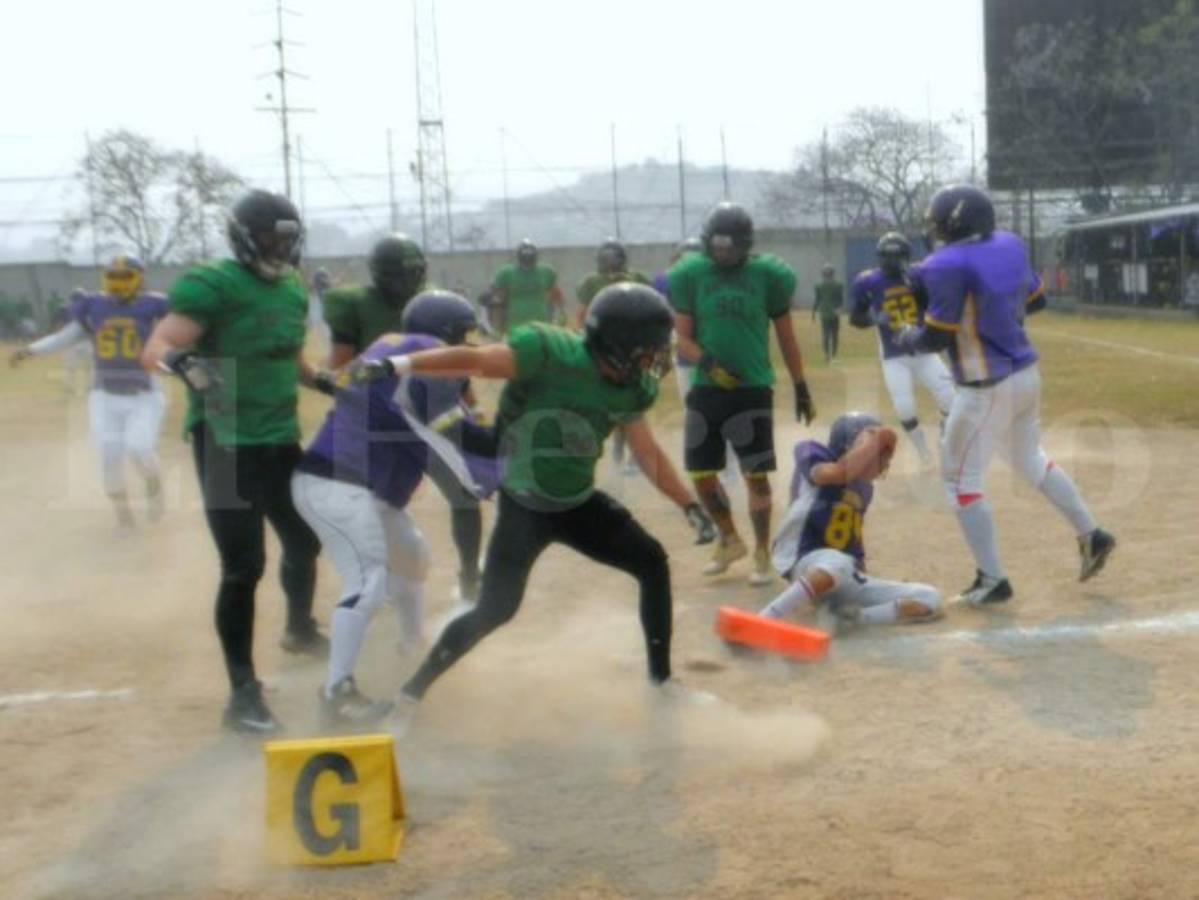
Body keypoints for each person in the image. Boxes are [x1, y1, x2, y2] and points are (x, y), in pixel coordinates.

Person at [353, 283, 718, 730]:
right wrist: (399, 363)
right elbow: (477, 359)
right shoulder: (549, 352)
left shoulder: (630, 389)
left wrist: (689, 505)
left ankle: (661, 685)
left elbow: (646, 453)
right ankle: (408, 697)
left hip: (578, 503)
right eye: (646, 351)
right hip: (525, 507)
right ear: (620, 344)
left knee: (652, 563)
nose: (652, 362)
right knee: (494, 611)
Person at [142, 188, 330, 734]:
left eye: (288, 239)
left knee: (305, 539)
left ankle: (297, 628)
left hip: (276, 435)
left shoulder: (293, 289)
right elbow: (156, 347)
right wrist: (184, 363)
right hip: (223, 441)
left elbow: (290, 357)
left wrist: (324, 381)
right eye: (272, 238)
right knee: (244, 565)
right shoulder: (214, 284)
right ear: (246, 239)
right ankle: (242, 695)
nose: (281, 248)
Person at [895, 185, 1116, 605]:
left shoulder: (944, 262)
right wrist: (984, 309)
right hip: (1026, 374)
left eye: (940, 225)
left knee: (959, 480)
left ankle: (992, 579)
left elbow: (934, 337)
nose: (936, 232)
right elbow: (1035, 301)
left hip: (985, 386)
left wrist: (908, 335)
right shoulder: (1010, 243)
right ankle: (1092, 533)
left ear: (955, 224)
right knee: (1030, 459)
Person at [293, 290, 499, 726]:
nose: (466, 351)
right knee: (367, 580)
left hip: (357, 489)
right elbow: (459, 441)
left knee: (412, 558)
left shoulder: (398, 353)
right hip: (336, 483)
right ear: (443, 335)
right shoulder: (423, 352)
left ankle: (410, 649)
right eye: (461, 339)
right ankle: (337, 693)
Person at [324, 233, 487, 604]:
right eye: (399, 274)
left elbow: (453, 359)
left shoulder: (432, 302)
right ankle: (372, 587)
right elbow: (339, 370)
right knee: (377, 506)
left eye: (413, 272)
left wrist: (471, 405)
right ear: (379, 275)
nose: (407, 281)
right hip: (380, 417)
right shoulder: (356, 304)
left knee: (463, 492)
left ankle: (469, 575)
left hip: (431, 408)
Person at [669, 201, 815, 586]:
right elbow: (681, 339)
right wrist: (709, 363)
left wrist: (800, 384)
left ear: (745, 244)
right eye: (717, 246)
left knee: (755, 476)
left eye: (731, 246)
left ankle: (763, 551)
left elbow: (786, 336)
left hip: (751, 388)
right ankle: (730, 538)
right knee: (701, 474)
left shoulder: (767, 275)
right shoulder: (691, 274)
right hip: (706, 388)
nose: (723, 253)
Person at [11, 256, 168, 528]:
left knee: (138, 446)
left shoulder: (154, 305)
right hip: (105, 395)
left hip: (144, 394)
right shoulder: (95, 306)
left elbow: (181, 332)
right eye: (113, 277)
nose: (118, 284)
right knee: (108, 452)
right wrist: (31, 350)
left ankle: (153, 481)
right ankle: (124, 515)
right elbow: (64, 338)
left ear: (139, 278)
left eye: (125, 277)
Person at [760, 412, 942, 626]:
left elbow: (852, 545)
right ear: (852, 446)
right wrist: (874, 440)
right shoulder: (812, 451)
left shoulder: (865, 489)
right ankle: (765, 619)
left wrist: (860, 582)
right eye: (880, 454)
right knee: (838, 562)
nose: (885, 462)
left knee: (928, 596)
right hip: (802, 558)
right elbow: (833, 474)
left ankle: (846, 621)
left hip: (839, 573)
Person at [849, 233, 955, 467]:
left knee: (950, 397)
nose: (893, 261)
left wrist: (922, 293)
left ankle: (944, 442)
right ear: (880, 257)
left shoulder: (918, 276)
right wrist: (873, 318)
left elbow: (935, 305)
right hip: (894, 355)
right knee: (904, 407)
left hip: (923, 349)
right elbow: (855, 318)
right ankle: (923, 452)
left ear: (907, 256)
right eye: (888, 256)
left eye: (898, 256)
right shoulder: (868, 281)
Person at [576, 238, 652, 473]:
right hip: (604, 348)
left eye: (612, 258)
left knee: (633, 400)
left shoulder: (636, 279)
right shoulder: (592, 282)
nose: (608, 263)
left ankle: (632, 455)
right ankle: (619, 446)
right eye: (604, 258)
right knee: (613, 402)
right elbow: (582, 313)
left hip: (633, 346)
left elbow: (650, 308)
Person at [490, 238, 564, 334]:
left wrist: (561, 313)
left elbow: (556, 295)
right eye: (525, 259)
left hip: (542, 325)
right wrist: (497, 327)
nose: (528, 263)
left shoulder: (546, 272)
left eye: (530, 259)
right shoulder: (507, 273)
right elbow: (499, 302)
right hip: (515, 325)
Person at [812, 263, 843, 363]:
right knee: (835, 335)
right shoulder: (839, 285)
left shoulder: (818, 286)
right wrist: (839, 309)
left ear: (823, 274)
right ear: (833, 273)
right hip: (835, 313)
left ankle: (826, 355)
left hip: (824, 313)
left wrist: (813, 312)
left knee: (825, 335)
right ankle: (834, 355)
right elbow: (840, 299)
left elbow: (817, 300)